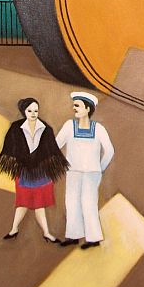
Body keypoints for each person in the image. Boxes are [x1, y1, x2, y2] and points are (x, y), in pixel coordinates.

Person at [0, 97, 69, 243]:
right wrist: (18, 162)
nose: (33, 114)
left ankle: (46, 233)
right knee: (22, 202)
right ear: (24, 112)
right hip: (24, 171)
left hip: (41, 173)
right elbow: (9, 147)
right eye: (30, 111)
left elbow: (52, 150)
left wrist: (48, 164)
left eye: (36, 111)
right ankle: (14, 229)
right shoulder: (16, 128)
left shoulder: (46, 129)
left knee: (39, 205)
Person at [55, 91, 114, 249]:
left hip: (91, 174)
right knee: (71, 202)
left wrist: (100, 169)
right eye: (74, 105)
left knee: (89, 203)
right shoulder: (69, 126)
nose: (74, 108)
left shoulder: (98, 128)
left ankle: (94, 238)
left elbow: (109, 151)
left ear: (87, 109)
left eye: (77, 105)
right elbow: (55, 145)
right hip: (73, 171)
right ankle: (74, 235)